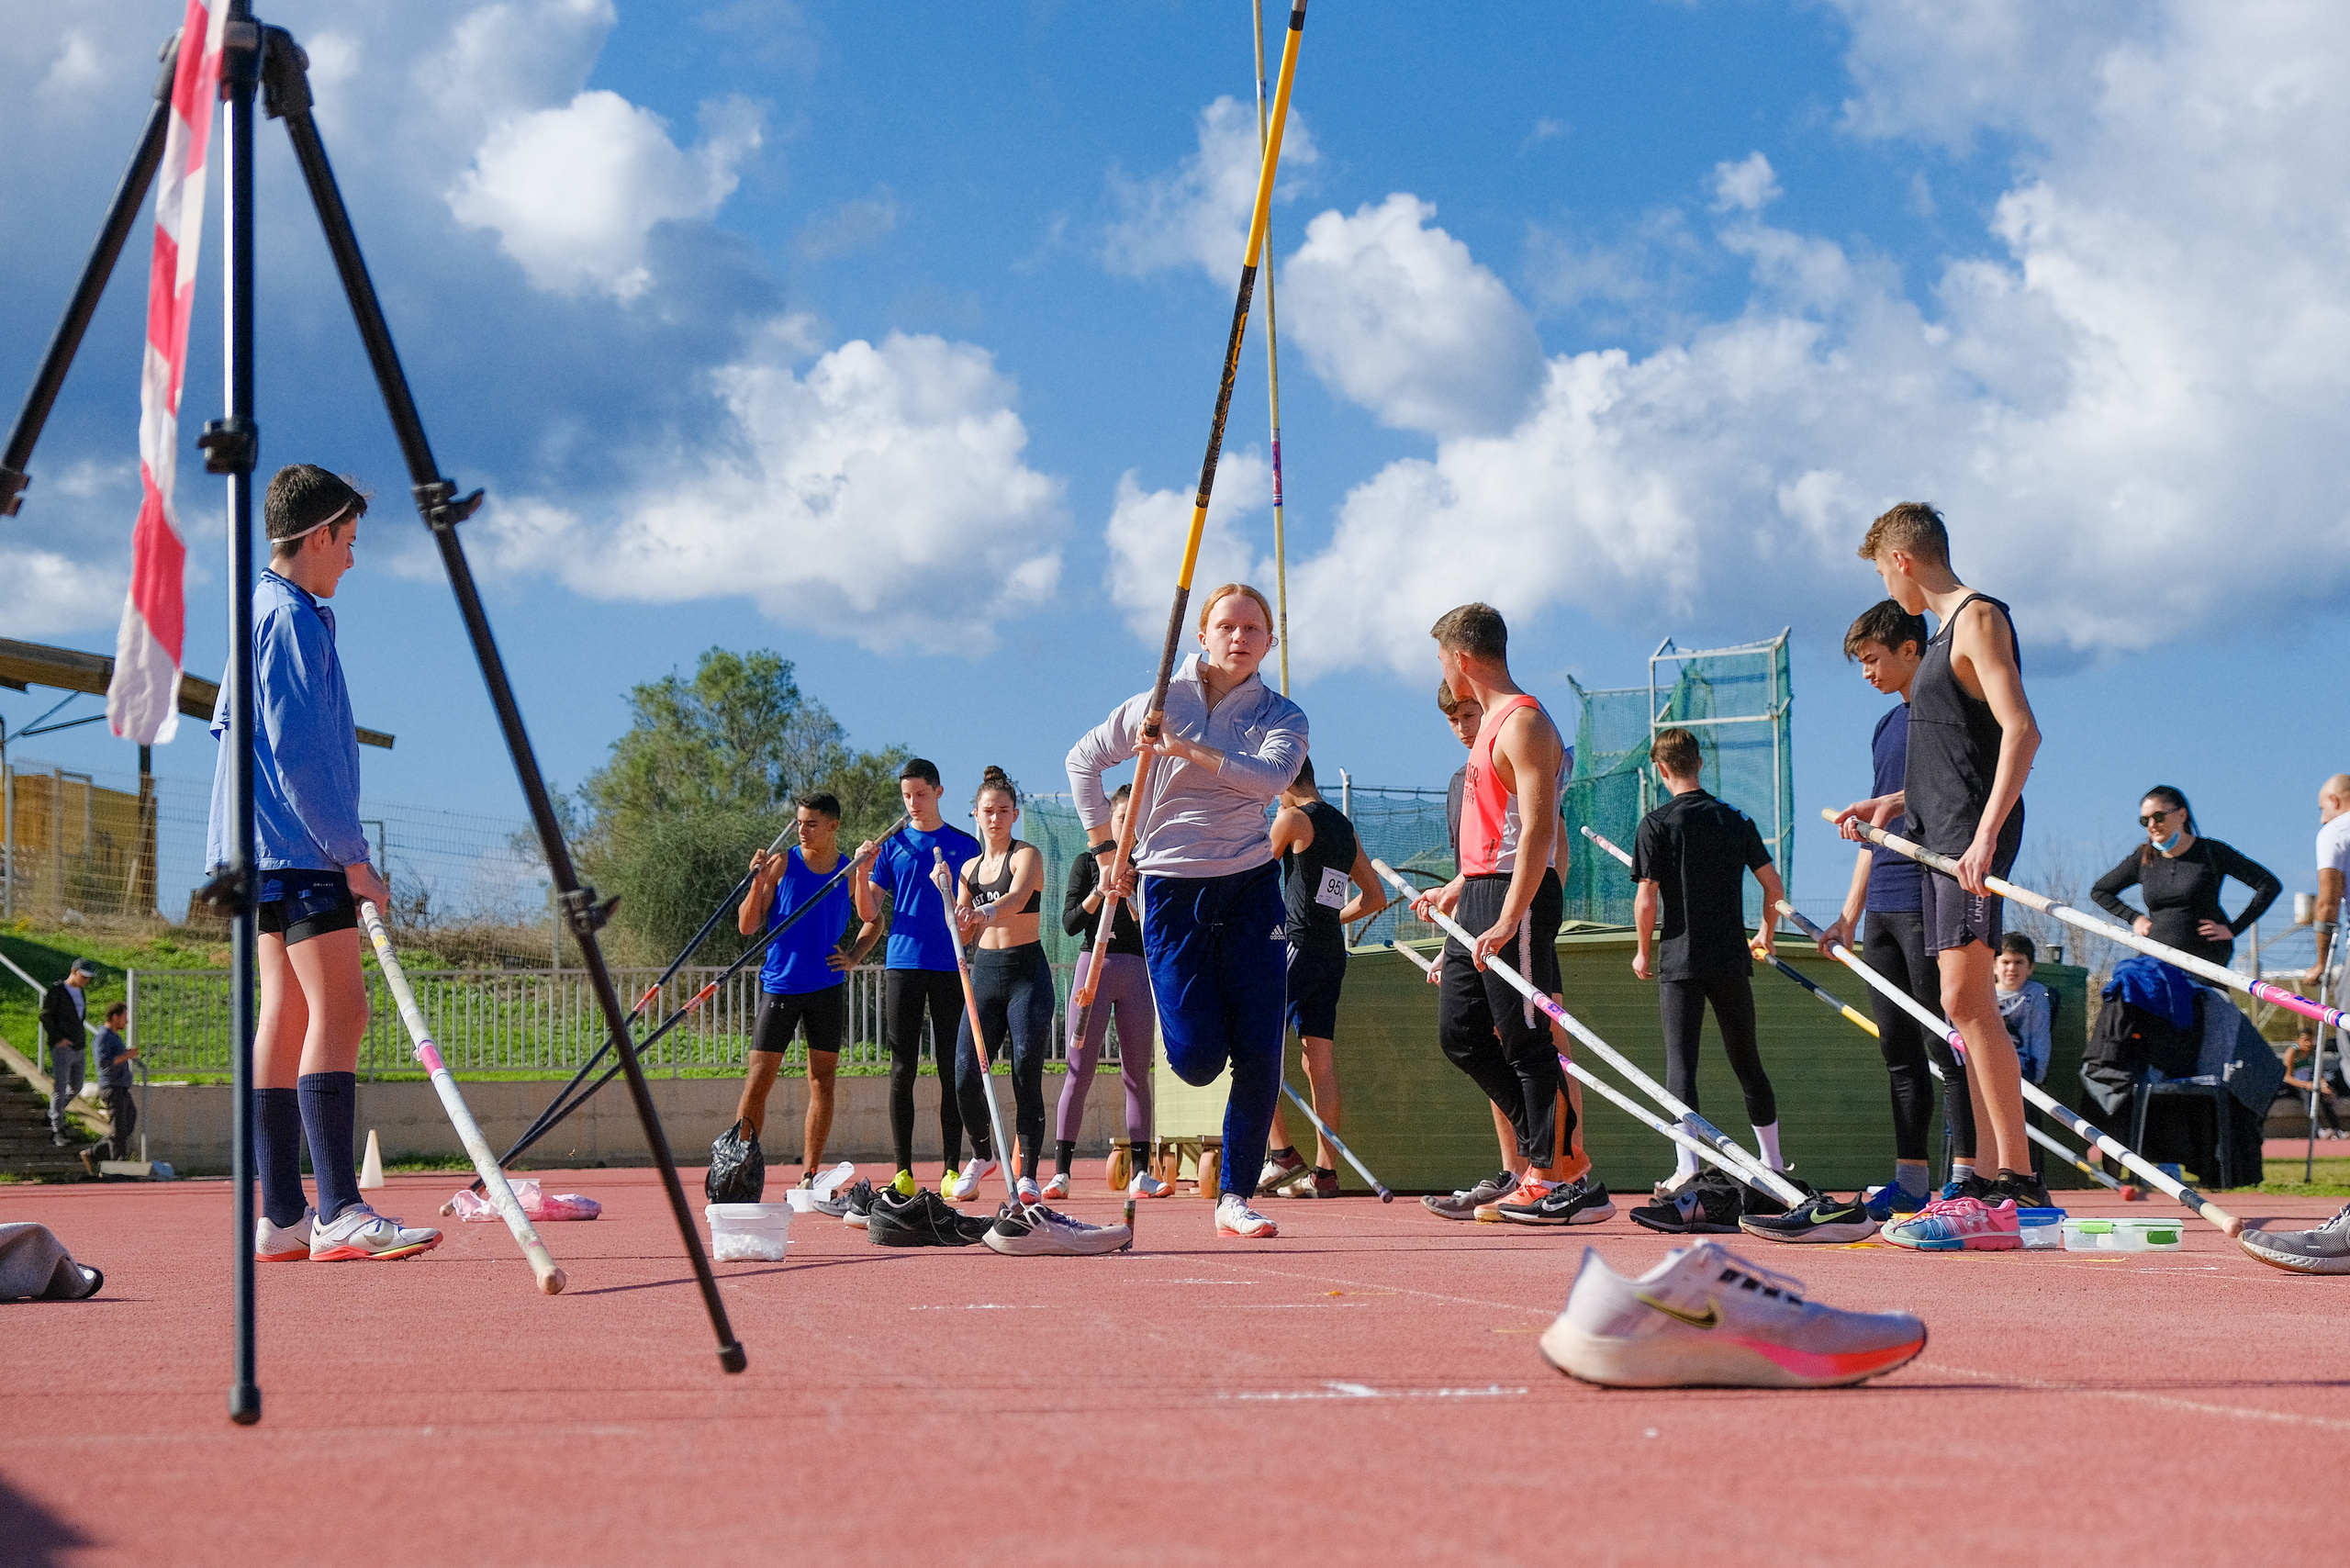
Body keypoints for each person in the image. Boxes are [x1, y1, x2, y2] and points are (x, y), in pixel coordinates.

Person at [212, 465, 439, 1263]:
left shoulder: (257, 614)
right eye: (348, 541)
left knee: (287, 1012)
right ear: (318, 536)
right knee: (342, 1011)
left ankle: (280, 1213)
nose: (352, 558)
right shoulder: (295, 620)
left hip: (255, 852)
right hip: (300, 849)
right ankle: (339, 1205)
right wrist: (353, 858)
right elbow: (302, 754)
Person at [1066, 582, 1304, 1240]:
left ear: (1269, 641)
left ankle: (1236, 1196)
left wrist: (1183, 748)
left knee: (1261, 1050)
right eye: (1226, 626)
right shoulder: (1159, 698)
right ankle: (1212, 1040)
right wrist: (1106, 846)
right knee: (1197, 1059)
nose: (1239, 638)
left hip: (1251, 884)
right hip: (1170, 888)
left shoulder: (1285, 716)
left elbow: (1268, 782)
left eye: (1253, 629)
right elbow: (1082, 760)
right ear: (1202, 634)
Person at [1836, 500, 2049, 1221]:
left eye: (1882, 572)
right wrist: (1891, 802)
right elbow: (1961, 747)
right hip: (1936, 833)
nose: (1889, 591)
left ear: (1901, 560)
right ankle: (1988, 1177)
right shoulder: (1940, 646)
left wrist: (1986, 834)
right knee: (1961, 1008)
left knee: (1964, 1003)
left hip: (1967, 837)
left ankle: (2013, 1183)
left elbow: (2021, 731)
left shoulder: (1978, 619)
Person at [1412, 603, 1607, 1227]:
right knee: (1461, 1035)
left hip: (1513, 896)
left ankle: (1557, 1175)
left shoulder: (1523, 723)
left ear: (1462, 660)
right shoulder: (1490, 724)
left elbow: (1540, 830)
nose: (1444, 670)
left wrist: (1510, 912)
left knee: (1525, 1037)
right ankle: (1545, 1153)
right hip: (1480, 892)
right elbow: (1497, 830)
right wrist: (1460, 890)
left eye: (1443, 659)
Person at [1811, 600, 1967, 1218]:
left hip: (1933, 896)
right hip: (1883, 902)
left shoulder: (1949, 711)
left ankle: (1967, 1180)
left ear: (1911, 649)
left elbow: (1952, 796)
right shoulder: (1883, 728)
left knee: (1945, 1044)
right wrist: (1850, 914)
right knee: (1897, 1050)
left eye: (1873, 660)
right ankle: (1910, 1179)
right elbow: (1876, 829)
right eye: (1860, 664)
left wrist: (1897, 805)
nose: (1866, 673)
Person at [1630, 726, 1789, 1192]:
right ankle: (1774, 1161)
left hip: (1680, 958)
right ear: (1700, 763)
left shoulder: (1656, 824)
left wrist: (1642, 951)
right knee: (1746, 1059)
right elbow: (1773, 889)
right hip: (1729, 957)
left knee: (1681, 1063)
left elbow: (1646, 899)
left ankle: (1688, 1168)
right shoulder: (1735, 819)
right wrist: (1766, 934)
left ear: (1661, 771)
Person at [724, 792, 880, 1193]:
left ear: (833, 826)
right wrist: (758, 882)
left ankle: (809, 1175)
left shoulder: (848, 870)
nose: (802, 830)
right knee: (758, 1081)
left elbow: (872, 921)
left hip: (826, 988)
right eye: (799, 822)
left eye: (811, 823)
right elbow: (747, 926)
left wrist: (854, 956)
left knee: (822, 1081)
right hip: (781, 984)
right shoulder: (782, 862)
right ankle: (739, 1169)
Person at [1257, 756, 1388, 1199]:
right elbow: (1375, 896)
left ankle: (1282, 1155)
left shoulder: (1292, 819)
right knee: (1318, 1062)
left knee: (1251, 1042)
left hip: (1293, 945)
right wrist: (1331, 919)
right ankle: (1324, 1173)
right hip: (1330, 950)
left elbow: (1249, 873)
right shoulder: (1342, 826)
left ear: (1287, 779)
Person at [855, 758, 981, 1196]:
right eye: (906, 796)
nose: (912, 803)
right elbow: (869, 912)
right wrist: (861, 869)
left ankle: (951, 1168)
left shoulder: (965, 846)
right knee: (902, 1067)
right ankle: (903, 1171)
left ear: (939, 792)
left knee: (952, 1069)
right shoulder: (892, 848)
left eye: (920, 794)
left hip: (950, 967)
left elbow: (979, 915)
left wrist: (971, 929)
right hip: (903, 965)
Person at [941, 767, 1055, 1204]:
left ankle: (1027, 1173)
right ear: (975, 814)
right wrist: (951, 901)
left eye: (1003, 811)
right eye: (988, 811)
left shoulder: (1027, 855)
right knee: (964, 1073)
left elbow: (1018, 898)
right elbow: (963, 931)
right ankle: (983, 1154)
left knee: (1026, 1067)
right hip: (985, 973)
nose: (995, 818)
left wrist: (983, 914)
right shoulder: (968, 868)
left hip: (1026, 972)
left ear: (1014, 815)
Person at [1052, 783, 1168, 1200]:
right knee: (1079, 1070)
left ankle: (1141, 1171)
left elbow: (1156, 931)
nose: (1127, 827)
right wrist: (1100, 891)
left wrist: (1132, 895)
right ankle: (1062, 1172)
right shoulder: (1087, 863)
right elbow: (1068, 924)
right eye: (1120, 819)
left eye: (1134, 821)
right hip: (1093, 970)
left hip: (1136, 973)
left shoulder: (1150, 866)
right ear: (1108, 822)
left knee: (1137, 1074)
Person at [2090, 786, 2279, 969]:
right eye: (2144, 820)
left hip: (2204, 958)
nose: (2152, 825)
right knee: (2125, 987)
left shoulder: (2212, 852)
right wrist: (2134, 918)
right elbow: (2100, 891)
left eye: (2158, 817)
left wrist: (2233, 929)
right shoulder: (2142, 858)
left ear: (2182, 815)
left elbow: (2268, 884)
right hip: (2156, 955)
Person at [39, 958, 94, 1148]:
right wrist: (58, 1038)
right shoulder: (57, 991)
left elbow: (79, 1019)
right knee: (60, 1087)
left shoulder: (81, 992)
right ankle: (57, 1129)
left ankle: (52, 1114)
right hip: (62, 1047)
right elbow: (45, 1015)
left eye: (89, 978)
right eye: (84, 976)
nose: (86, 981)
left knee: (77, 1086)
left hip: (78, 1046)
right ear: (74, 971)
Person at [2302, 774, 2349, 994]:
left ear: (2335, 800)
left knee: (2344, 1021)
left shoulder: (2336, 832)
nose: (2322, 819)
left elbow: (2328, 903)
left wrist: (2321, 963)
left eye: (2322, 809)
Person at [81, 1002, 137, 1175]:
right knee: (119, 1128)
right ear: (115, 1017)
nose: (126, 1022)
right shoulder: (103, 1037)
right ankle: (116, 1166)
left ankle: (94, 1154)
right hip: (111, 1087)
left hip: (121, 1088)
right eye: (124, 1018)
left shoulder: (114, 1036)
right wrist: (126, 1056)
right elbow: (104, 1062)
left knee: (128, 1122)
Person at [1994, 934, 2053, 1088]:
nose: (2012, 968)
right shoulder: (1984, 993)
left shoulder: (2036, 993)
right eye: (2005, 962)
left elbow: (2040, 1036)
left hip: (2022, 1066)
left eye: (2019, 962)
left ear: (2030, 968)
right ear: (1994, 966)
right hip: (1988, 1063)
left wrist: (2039, 1076)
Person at [2281, 1025, 2344, 1138]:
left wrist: (2324, 1085)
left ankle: (2337, 1130)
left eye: (2310, 1040)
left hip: (2310, 1083)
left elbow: (2318, 1073)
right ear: (2298, 1040)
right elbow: (2287, 1077)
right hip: (2295, 1085)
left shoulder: (2313, 1052)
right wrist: (2305, 1084)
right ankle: (2319, 1130)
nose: (2308, 1043)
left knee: (2325, 1098)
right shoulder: (2292, 1053)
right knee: (2308, 1097)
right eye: (2305, 1040)